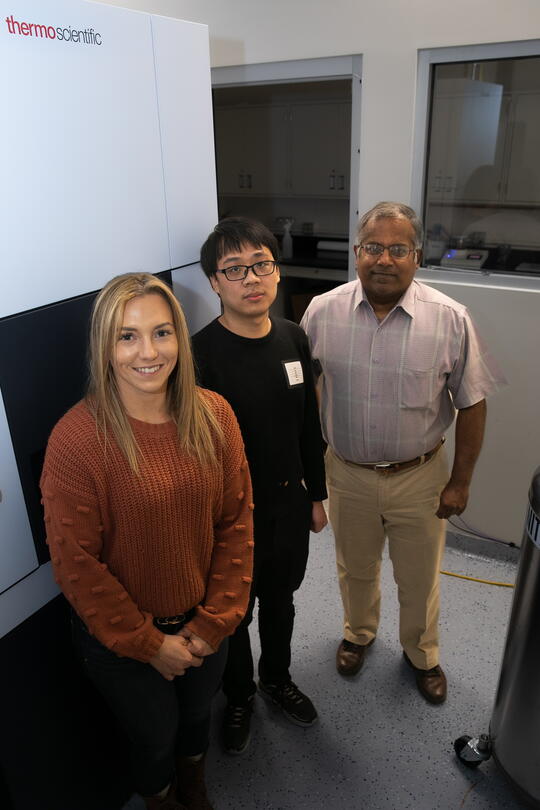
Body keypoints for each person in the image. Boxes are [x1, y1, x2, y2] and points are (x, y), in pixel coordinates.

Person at [40, 272, 253, 810]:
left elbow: (236, 525)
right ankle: (160, 798)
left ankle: (194, 785)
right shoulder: (78, 439)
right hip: (125, 641)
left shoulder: (216, 416)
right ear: (105, 347)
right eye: (127, 336)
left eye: (162, 332)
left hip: (205, 623)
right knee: (154, 736)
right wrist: (149, 644)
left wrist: (212, 623)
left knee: (198, 717)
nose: (148, 352)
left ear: (180, 337)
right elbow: (76, 564)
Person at [301, 202, 506, 705]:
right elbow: (301, 394)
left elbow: (473, 403)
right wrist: (307, 475)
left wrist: (460, 482)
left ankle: (422, 654)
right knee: (355, 567)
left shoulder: (449, 318)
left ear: (417, 257)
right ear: (356, 253)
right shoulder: (321, 312)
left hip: (420, 476)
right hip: (345, 471)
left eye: (398, 249)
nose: (384, 260)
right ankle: (359, 633)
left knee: (419, 577)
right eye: (373, 247)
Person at [192, 217, 328, 755]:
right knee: (234, 611)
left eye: (262, 265)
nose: (252, 278)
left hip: (288, 503)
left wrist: (316, 494)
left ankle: (277, 679)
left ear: (277, 270)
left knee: (281, 599)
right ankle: (240, 694)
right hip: (229, 515)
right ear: (215, 282)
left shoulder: (294, 336)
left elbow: (307, 426)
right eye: (235, 269)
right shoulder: (200, 355)